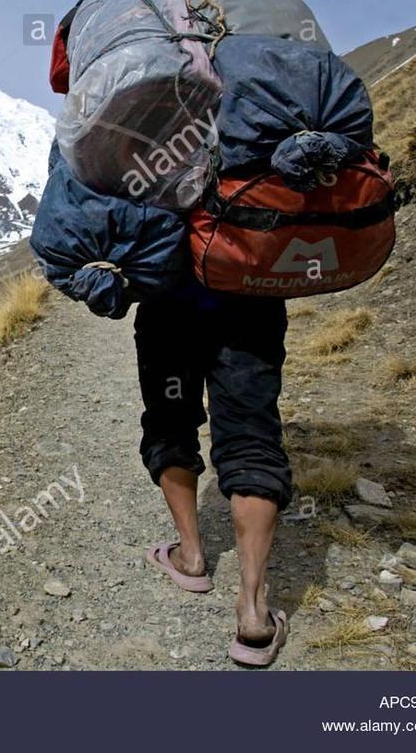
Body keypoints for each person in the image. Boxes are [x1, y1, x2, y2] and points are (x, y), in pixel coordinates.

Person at [137, 278, 291, 666]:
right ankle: (254, 612)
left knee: (170, 422)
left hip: (168, 306)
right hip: (252, 303)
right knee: (251, 440)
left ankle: (190, 557)